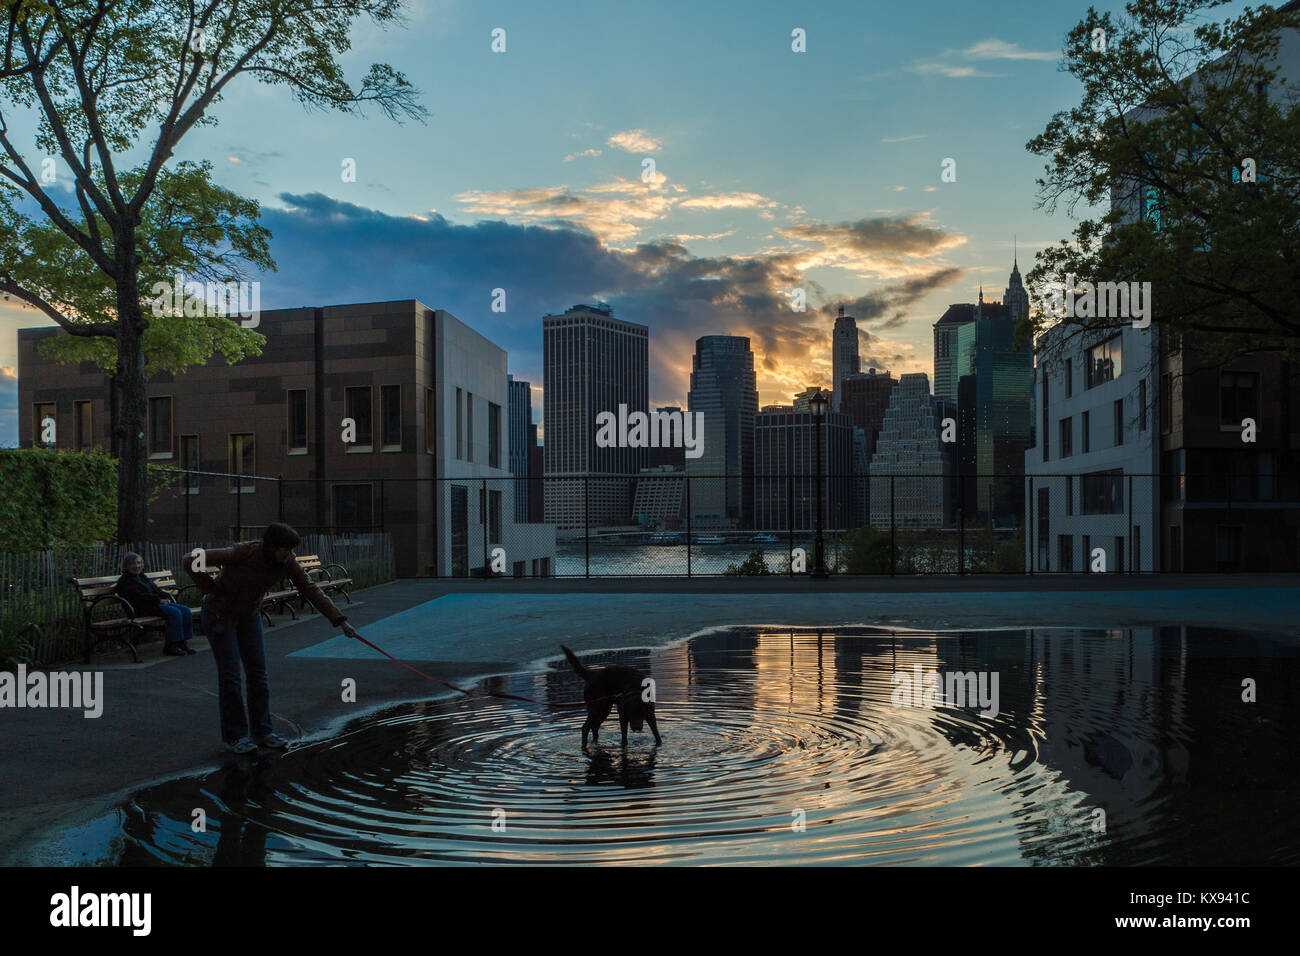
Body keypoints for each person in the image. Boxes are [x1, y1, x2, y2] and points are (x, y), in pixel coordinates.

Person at [186, 523, 360, 754]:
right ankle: (235, 736)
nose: (289, 554)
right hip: (220, 615)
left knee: (258, 673)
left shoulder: (287, 562)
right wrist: (209, 588)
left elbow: (310, 589)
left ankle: (263, 732)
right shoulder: (243, 552)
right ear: (271, 547)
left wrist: (339, 620)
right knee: (231, 676)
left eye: (291, 550)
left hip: (249, 615)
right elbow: (191, 559)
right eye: (284, 549)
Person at [115, 552, 195, 656]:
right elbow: (139, 596)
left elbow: (156, 590)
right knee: (174, 612)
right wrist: (159, 600)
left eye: (139, 563)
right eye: (133, 564)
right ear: (126, 566)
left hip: (153, 605)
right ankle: (170, 646)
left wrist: (166, 596)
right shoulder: (125, 581)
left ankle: (182, 642)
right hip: (140, 608)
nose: (137, 566)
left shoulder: (142, 577)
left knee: (185, 610)